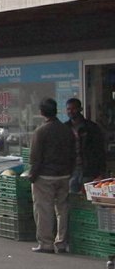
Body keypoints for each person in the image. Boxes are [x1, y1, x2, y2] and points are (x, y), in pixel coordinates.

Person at [27, 98, 76, 253]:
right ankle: (61, 242)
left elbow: (35, 158)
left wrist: (32, 176)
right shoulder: (67, 130)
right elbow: (73, 154)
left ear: (42, 113)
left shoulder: (40, 131)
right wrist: (70, 171)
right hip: (64, 175)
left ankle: (46, 243)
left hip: (45, 176)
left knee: (44, 209)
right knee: (62, 208)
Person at [65, 98, 106, 194]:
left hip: (89, 170)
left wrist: (100, 172)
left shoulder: (92, 128)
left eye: (74, 108)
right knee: (72, 201)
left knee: (89, 200)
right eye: (68, 109)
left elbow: (99, 150)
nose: (71, 111)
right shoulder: (64, 128)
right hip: (71, 171)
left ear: (80, 109)